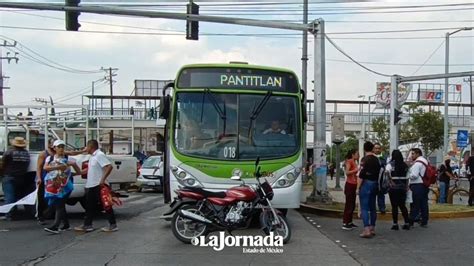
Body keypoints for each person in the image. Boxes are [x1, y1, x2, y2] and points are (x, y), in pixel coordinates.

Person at [36, 139, 86, 224]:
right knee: (57, 204)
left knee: (59, 204)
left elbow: (75, 168)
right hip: (53, 184)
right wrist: (40, 177)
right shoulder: (48, 156)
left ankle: (55, 225)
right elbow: (43, 167)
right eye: (59, 147)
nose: (61, 149)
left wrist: (74, 172)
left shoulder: (66, 157)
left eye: (62, 147)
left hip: (65, 185)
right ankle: (64, 224)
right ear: (54, 147)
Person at [74, 140, 117, 232]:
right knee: (89, 206)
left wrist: (102, 179)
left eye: (87, 147)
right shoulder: (92, 157)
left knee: (105, 204)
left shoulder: (99, 155)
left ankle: (113, 224)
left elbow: (109, 167)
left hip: (98, 184)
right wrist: (75, 173)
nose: (86, 149)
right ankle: (87, 225)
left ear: (91, 147)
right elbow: (89, 170)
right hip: (91, 185)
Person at [1, 137, 31, 220]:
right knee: (15, 196)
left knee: (10, 197)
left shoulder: (9, 152)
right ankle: (15, 213)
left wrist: (2, 174)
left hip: (9, 176)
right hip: (21, 177)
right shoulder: (26, 153)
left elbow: (2, 164)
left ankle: (9, 215)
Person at [357, 141, 380, 238]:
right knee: (373, 207)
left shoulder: (364, 159)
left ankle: (366, 229)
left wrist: (358, 188)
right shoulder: (377, 160)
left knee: (364, 207)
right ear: (372, 148)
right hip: (375, 183)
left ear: (364, 149)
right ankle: (372, 227)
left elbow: (361, 175)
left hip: (366, 184)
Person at [386, 149, 410, 230]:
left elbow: (386, 172)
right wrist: (406, 187)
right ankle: (407, 223)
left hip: (393, 188)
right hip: (402, 188)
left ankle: (395, 224)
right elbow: (407, 177)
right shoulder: (405, 165)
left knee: (394, 206)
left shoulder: (390, 165)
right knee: (403, 206)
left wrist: (390, 181)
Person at [408, 148, 429, 228]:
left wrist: (408, 176)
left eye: (413, 154)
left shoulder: (417, 163)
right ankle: (424, 221)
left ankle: (410, 222)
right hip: (423, 185)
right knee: (423, 204)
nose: (411, 155)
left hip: (417, 185)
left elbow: (414, 175)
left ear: (417, 154)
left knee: (414, 204)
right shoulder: (425, 161)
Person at [342, 149, 359, 230]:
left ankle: (350, 221)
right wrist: (356, 170)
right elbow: (347, 172)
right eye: (357, 154)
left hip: (354, 184)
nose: (358, 155)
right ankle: (345, 222)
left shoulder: (355, 162)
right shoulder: (349, 161)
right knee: (349, 204)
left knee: (352, 204)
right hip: (350, 184)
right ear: (353, 154)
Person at [373, 143, 387, 214]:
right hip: (373, 179)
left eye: (379, 148)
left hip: (381, 180)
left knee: (381, 194)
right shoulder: (371, 156)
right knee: (372, 195)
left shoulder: (384, 157)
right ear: (373, 149)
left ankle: (382, 208)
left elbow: (385, 165)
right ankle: (372, 208)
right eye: (376, 148)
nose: (377, 150)